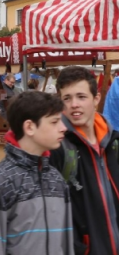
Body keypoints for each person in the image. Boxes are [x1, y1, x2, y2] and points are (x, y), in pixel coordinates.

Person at [0, 91, 73, 255]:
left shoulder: (57, 180)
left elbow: (67, 243)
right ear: (30, 127)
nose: (63, 128)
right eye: (55, 122)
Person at [50, 66, 119, 254]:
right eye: (67, 98)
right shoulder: (56, 147)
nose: (74, 104)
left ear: (96, 100)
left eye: (81, 97)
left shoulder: (113, 141)